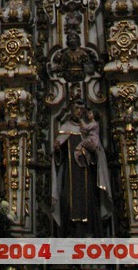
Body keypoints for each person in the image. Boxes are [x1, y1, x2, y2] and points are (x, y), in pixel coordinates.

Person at [51, 99, 112, 236]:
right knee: (68, 202)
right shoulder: (65, 128)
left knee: (89, 203)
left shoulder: (89, 129)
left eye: (82, 109)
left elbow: (99, 156)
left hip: (87, 175)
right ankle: (69, 236)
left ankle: (89, 236)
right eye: (76, 108)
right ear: (71, 109)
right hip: (70, 176)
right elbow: (58, 161)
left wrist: (94, 153)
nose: (79, 112)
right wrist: (57, 151)